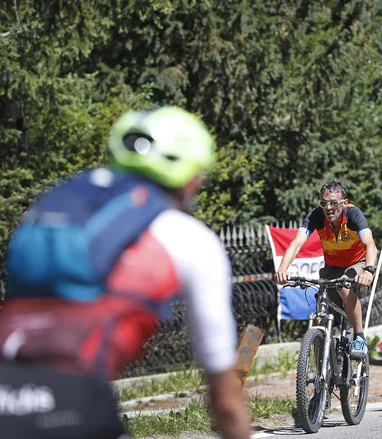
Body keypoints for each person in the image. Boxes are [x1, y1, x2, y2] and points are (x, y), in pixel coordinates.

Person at [0, 107, 251, 439]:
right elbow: (226, 402)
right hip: (71, 405)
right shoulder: (186, 237)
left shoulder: (51, 207)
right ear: (190, 178)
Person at [274, 180, 377, 359]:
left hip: (357, 263)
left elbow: (370, 245)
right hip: (331, 267)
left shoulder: (353, 215)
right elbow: (296, 243)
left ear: (344, 203)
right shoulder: (316, 216)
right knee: (321, 315)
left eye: (333, 203)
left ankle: (359, 336)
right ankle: (319, 373)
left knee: (344, 287)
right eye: (324, 203)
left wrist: (368, 271)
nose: (329, 208)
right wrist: (283, 269)